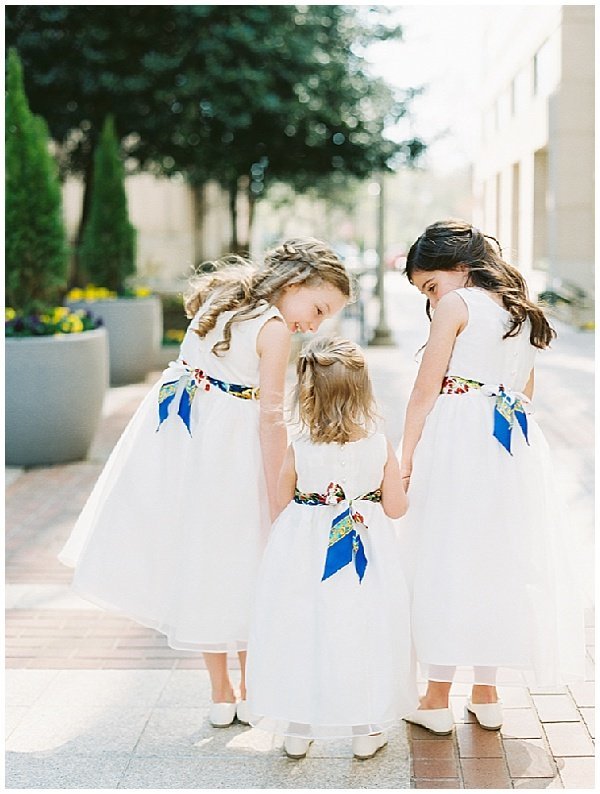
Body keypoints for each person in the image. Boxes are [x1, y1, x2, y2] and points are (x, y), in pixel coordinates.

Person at [59, 238, 350, 728]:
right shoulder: (273, 329)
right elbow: (272, 418)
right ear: (296, 284)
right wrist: (281, 490)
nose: (316, 324)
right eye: (318, 308)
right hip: (234, 452)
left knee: (205, 562)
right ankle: (253, 689)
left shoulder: (222, 301)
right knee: (251, 560)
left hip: (184, 441)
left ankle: (222, 695)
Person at [398, 219, 586, 735]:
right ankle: (487, 692)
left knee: (445, 556)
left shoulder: (457, 307)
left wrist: (407, 452)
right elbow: (526, 390)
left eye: (431, 286)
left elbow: (425, 386)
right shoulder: (521, 312)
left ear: (460, 268)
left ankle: (436, 698)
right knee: (495, 558)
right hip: (512, 442)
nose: (432, 299)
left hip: (458, 436)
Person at [246, 336, 418, 759]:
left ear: (307, 394)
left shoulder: (300, 447)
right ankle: (365, 729)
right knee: (364, 632)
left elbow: (281, 503)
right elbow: (396, 509)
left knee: (304, 629)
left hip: (303, 557)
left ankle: (298, 728)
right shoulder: (378, 445)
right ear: (363, 390)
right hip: (366, 560)